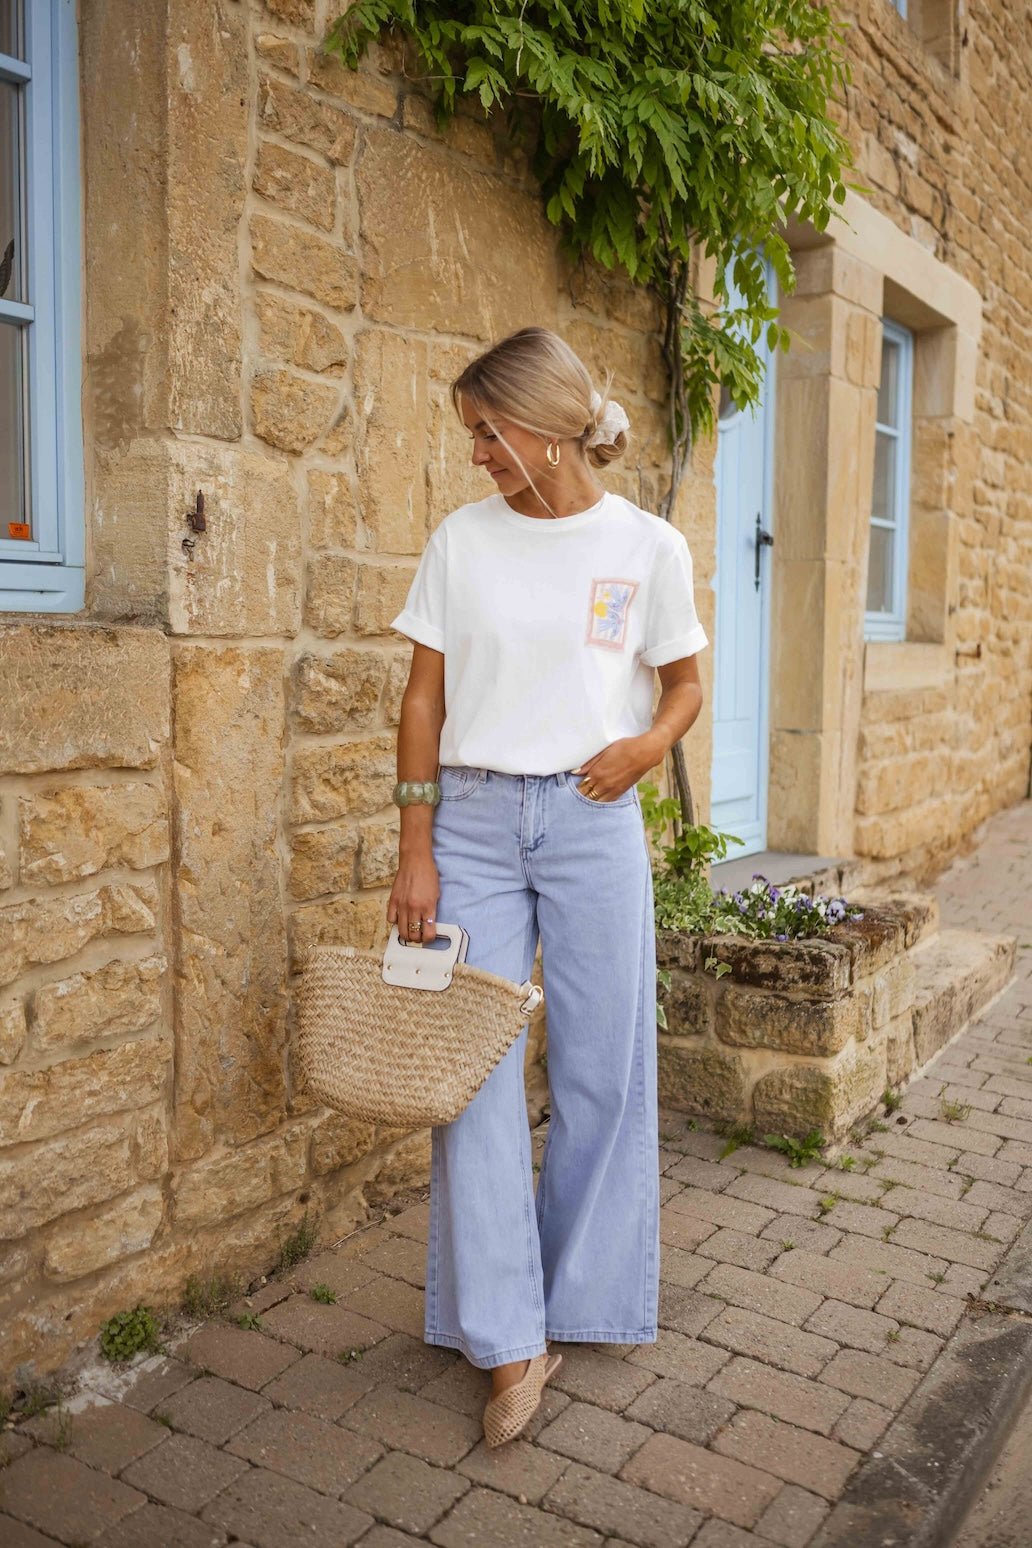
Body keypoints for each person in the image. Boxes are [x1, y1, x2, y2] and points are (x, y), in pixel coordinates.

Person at [386, 325, 708, 1447]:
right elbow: (423, 701)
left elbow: (684, 684)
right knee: (474, 1075)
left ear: (550, 430)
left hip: (592, 816)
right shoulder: (461, 542)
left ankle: (578, 1298)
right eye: (473, 433)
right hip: (472, 822)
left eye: (489, 432)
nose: (476, 453)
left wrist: (645, 748)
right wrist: (415, 847)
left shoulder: (648, 547)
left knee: (601, 1068)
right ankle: (508, 1335)